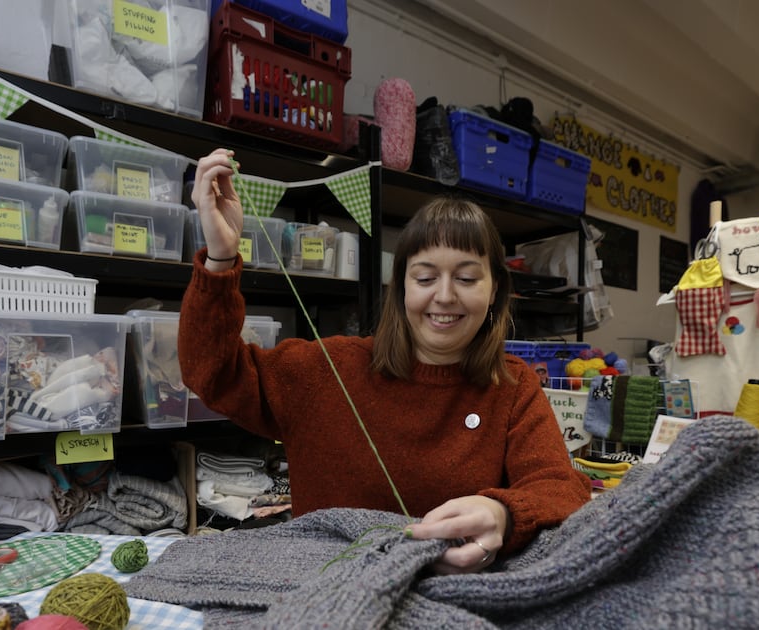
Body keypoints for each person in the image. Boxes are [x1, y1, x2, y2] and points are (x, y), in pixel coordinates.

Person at [179, 148, 590, 574]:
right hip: (327, 594)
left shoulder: (512, 386)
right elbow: (211, 371)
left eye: (467, 278)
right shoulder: (325, 371)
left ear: (494, 290)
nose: (445, 296)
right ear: (402, 288)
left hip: (453, 600)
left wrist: (503, 513)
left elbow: (560, 489)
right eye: (425, 277)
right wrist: (220, 257)